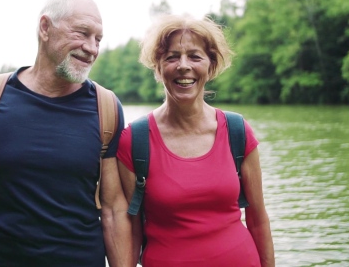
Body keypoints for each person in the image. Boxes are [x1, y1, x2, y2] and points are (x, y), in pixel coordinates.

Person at [0, 0, 133, 267]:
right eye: (82, 33)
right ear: (45, 28)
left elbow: (114, 211)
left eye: (98, 39)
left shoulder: (106, 107)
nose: (92, 48)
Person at [117, 14, 275, 267]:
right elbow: (130, 230)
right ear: (158, 68)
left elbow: (257, 218)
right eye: (171, 57)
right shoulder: (134, 141)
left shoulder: (237, 131)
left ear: (210, 66)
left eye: (194, 56)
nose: (183, 66)